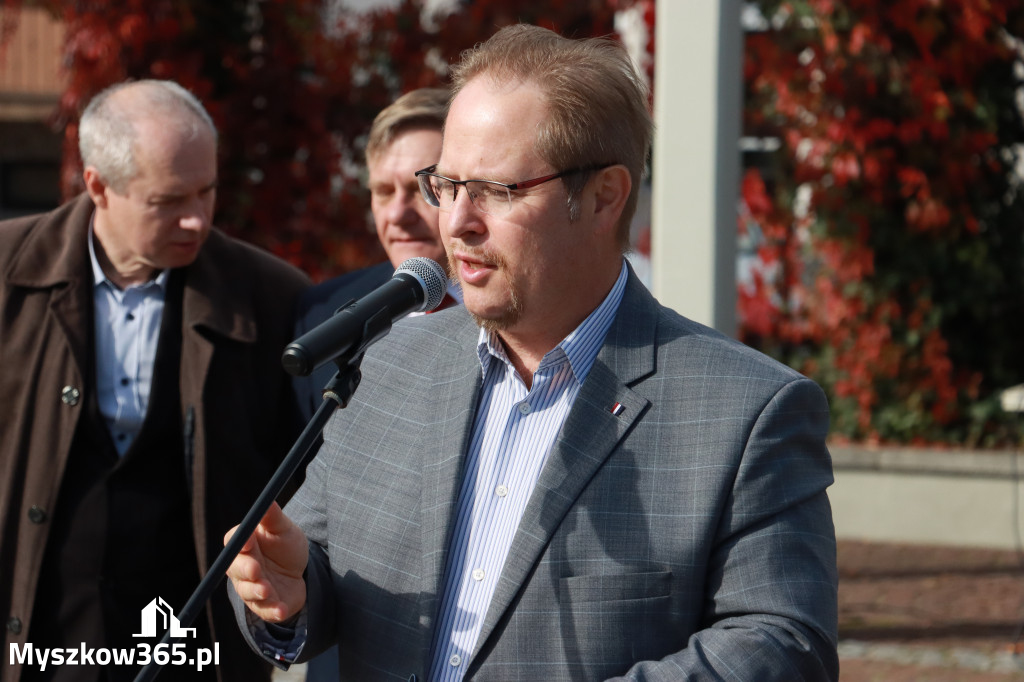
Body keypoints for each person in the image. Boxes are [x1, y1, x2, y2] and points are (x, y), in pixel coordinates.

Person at [227, 24, 839, 681]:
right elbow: (315, 568)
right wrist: (290, 596)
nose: (457, 221)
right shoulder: (390, 363)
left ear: (604, 197)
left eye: (497, 190)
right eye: (449, 184)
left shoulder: (746, 411)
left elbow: (783, 646)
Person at [0, 79, 310, 682]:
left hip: (191, 651)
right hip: (32, 636)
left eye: (207, 190)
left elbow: (302, 483)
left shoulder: (271, 299)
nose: (196, 219)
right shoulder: (6, 278)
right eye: (168, 200)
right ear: (98, 187)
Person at [292, 87, 460, 418]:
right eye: (383, 192)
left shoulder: (525, 316)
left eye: (421, 190)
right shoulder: (320, 314)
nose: (397, 214)